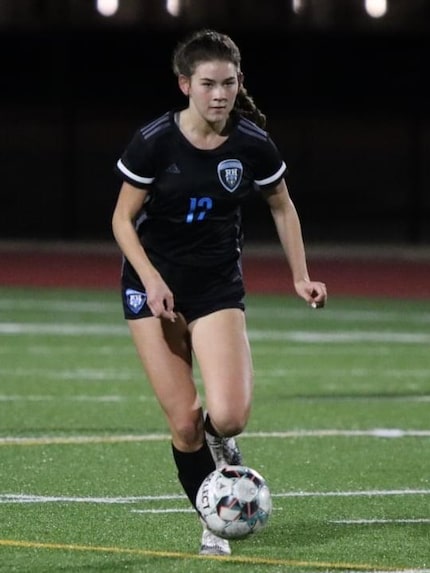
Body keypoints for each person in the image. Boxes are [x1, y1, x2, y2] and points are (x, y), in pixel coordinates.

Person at [111, 28, 327, 556]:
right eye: (208, 83)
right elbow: (121, 220)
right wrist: (153, 281)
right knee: (185, 422)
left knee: (227, 417)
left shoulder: (251, 143)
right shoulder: (154, 141)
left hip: (214, 287)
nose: (220, 94)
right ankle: (215, 519)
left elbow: (281, 204)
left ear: (239, 83)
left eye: (229, 83)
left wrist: (300, 274)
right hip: (151, 288)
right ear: (185, 84)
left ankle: (221, 446)